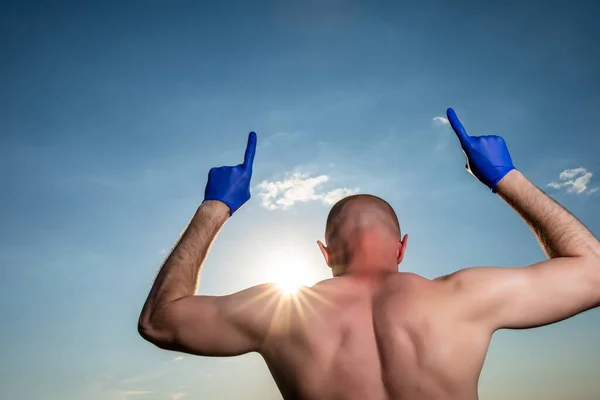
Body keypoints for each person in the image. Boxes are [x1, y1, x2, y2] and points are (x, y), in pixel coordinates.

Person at [138, 109, 600, 400]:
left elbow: (159, 321)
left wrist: (215, 206)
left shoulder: (280, 314)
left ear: (324, 252)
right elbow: (593, 272)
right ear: (402, 248)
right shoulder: (464, 296)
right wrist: (505, 176)